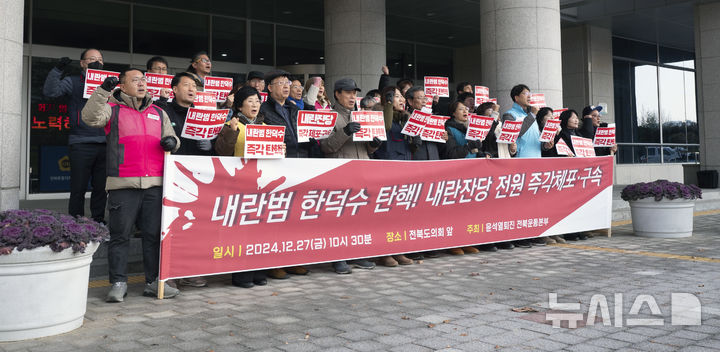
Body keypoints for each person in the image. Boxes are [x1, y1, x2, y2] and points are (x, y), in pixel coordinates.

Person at [82, 68, 181, 302]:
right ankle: (118, 283)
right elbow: (90, 117)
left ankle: (153, 282)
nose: (141, 83)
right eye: (135, 80)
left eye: (144, 79)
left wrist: (172, 142)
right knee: (119, 236)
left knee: (153, 235)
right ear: (123, 86)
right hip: (122, 184)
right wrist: (103, 90)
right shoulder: (112, 110)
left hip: (155, 184)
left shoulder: (159, 111)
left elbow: (173, 139)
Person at [213, 86, 275, 288]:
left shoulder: (266, 125)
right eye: (250, 100)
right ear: (239, 105)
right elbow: (222, 152)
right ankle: (241, 274)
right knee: (241, 232)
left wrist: (279, 149)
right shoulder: (230, 125)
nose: (255, 104)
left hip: (261, 184)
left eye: (257, 100)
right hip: (238, 185)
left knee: (261, 230)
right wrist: (231, 131)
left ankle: (258, 270)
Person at [320, 78, 381, 274]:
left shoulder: (362, 115)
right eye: (348, 93)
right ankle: (338, 257)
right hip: (339, 172)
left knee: (359, 216)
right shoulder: (328, 116)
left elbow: (368, 150)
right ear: (337, 94)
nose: (352, 97)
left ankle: (357, 254)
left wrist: (375, 143)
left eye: (355, 93)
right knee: (339, 217)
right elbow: (325, 146)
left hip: (361, 170)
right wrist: (345, 131)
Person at [260, 70, 314, 278]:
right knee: (276, 217)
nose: (285, 85)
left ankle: (292, 260)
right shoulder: (263, 109)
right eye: (280, 82)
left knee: (295, 217)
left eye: (287, 82)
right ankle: (273, 263)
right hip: (276, 169)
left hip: (299, 165)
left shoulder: (294, 108)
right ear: (269, 88)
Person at [43, 48, 107, 224]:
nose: (97, 62)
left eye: (100, 60)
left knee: (101, 188)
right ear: (82, 63)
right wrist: (57, 70)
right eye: (92, 59)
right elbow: (51, 92)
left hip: (105, 142)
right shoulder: (73, 81)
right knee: (78, 187)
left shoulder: (110, 84)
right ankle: (75, 222)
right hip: (81, 141)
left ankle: (98, 221)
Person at [374, 86, 414, 267]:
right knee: (385, 215)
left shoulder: (404, 118)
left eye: (401, 96)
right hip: (385, 168)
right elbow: (386, 126)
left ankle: (399, 250)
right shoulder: (379, 112)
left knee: (401, 214)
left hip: (404, 168)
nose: (400, 99)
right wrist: (388, 105)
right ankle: (384, 252)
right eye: (396, 96)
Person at [441, 101, 483, 256]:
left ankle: (468, 241)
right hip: (456, 174)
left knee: (469, 210)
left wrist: (482, 152)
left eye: (466, 108)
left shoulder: (472, 128)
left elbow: (478, 149)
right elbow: (451, 153)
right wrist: (468, 147)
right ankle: (454, 243)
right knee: (455, 211)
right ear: (453, 113)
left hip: (473, 172)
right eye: (461, 109)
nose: (465, 111)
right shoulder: (449, 128)